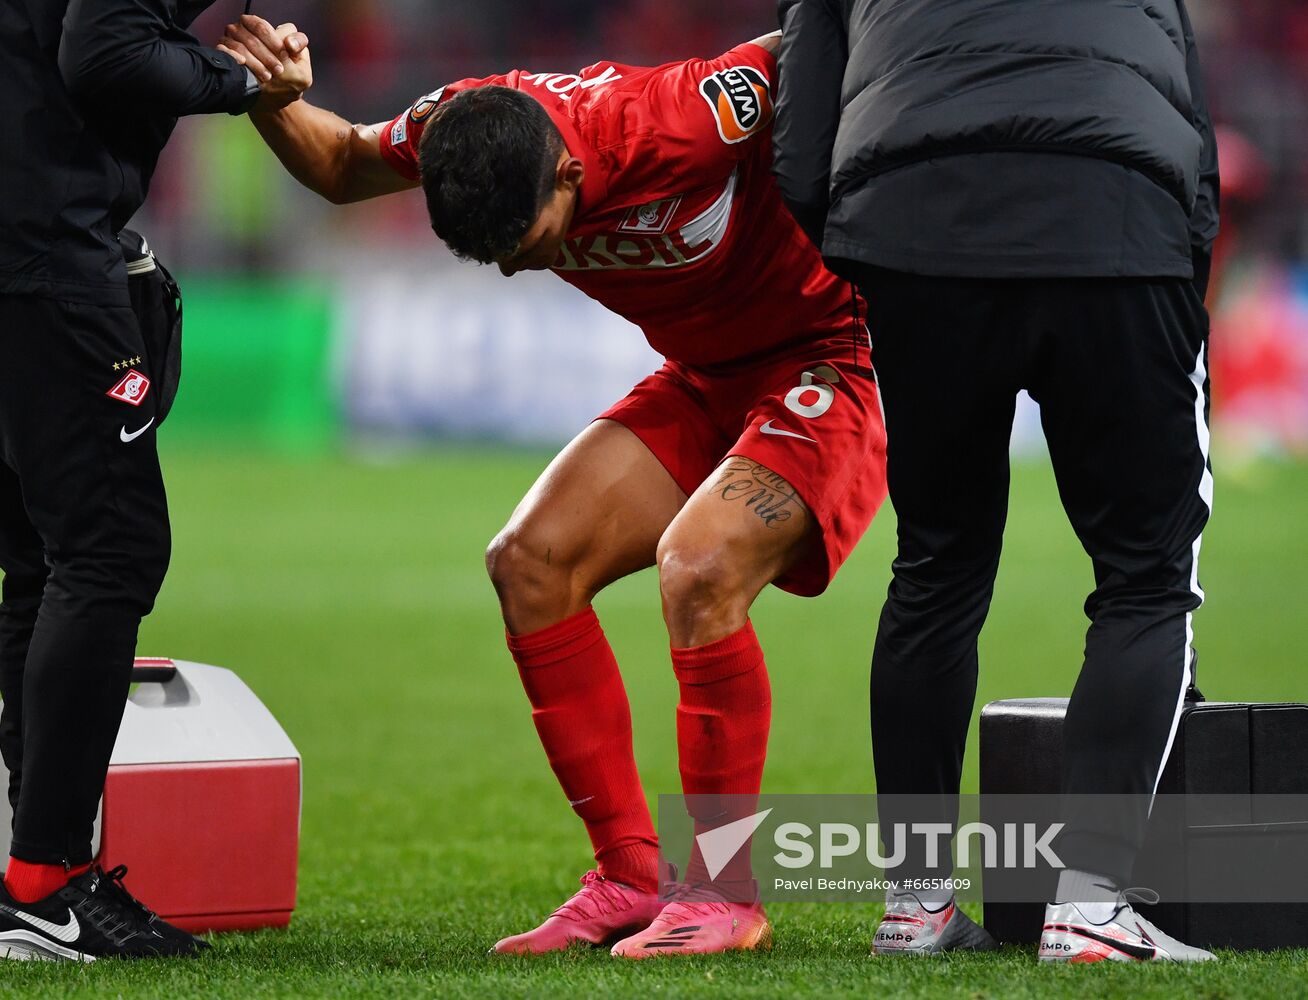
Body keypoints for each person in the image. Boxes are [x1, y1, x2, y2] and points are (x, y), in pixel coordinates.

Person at [221, 18, 888, 958]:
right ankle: (627, 875)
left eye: (522, 238)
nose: (508, 263)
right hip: (703, 375)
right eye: (484, 251)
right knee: (529, 564)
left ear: (569, 177)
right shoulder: (458, 123)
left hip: (826, 357)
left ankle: (725, 895)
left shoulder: (684, 118)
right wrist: (266, 95)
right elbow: (339, 166)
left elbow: (824, 35)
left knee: (697, 568)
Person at [773, 0, 1220, 963]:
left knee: (936, 564)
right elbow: (1184, 92)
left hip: (917, 229)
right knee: (1147, 572)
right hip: (1116, 220)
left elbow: (801, 140)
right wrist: (1180, 253)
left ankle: (915, 907)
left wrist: (875, 249)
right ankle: (1091, 907)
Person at [0, 2, 304, 962]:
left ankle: (32, 873)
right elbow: (102, 52)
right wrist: (251, 83)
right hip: (45, 255)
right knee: (108, 549)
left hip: (15, 247)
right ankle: (46, 884)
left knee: (40, 556)